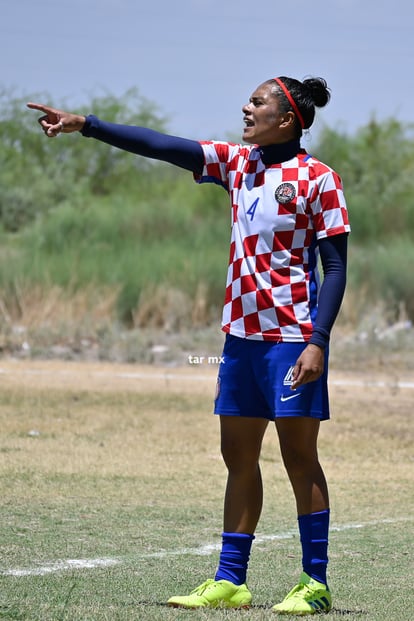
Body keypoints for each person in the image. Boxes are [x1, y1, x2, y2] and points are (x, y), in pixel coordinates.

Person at [28, 74, 350, 614]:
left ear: (289, 118)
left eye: (258, 102)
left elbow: (335, 266)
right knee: (238, 457)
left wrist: (318, 341)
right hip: (241, 340)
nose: (246, 108)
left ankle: (314, 584)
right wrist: (88, 125)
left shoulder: (319, 179)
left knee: (299, 457)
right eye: (248, 100)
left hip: (293, 340)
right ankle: (231, 581)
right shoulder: (236, 162)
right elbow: (160, 144)